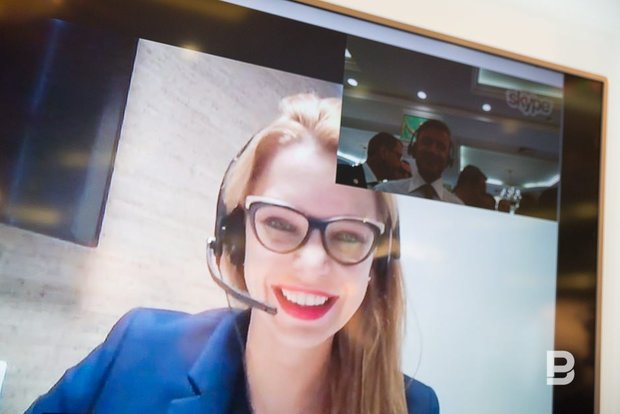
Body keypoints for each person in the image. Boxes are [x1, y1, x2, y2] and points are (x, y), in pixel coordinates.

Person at [26, 94, 439, 414]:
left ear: (376, 263)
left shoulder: (415, 407)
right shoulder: (136, 350)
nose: (313, 264)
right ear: (237, 238)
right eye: (280, 224)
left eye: (348, 236)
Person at [375, 119, 462, 204]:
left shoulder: (457, 207)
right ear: (414, 149)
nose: (433, 151)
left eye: (440, 146)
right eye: (427, 142)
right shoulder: (384, 193)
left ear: (448, 158)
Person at [336, 132, 408, 189]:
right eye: (398, 156)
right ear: (383, 152)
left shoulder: (384, 189)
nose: (400, 164)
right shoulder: (340, 174)